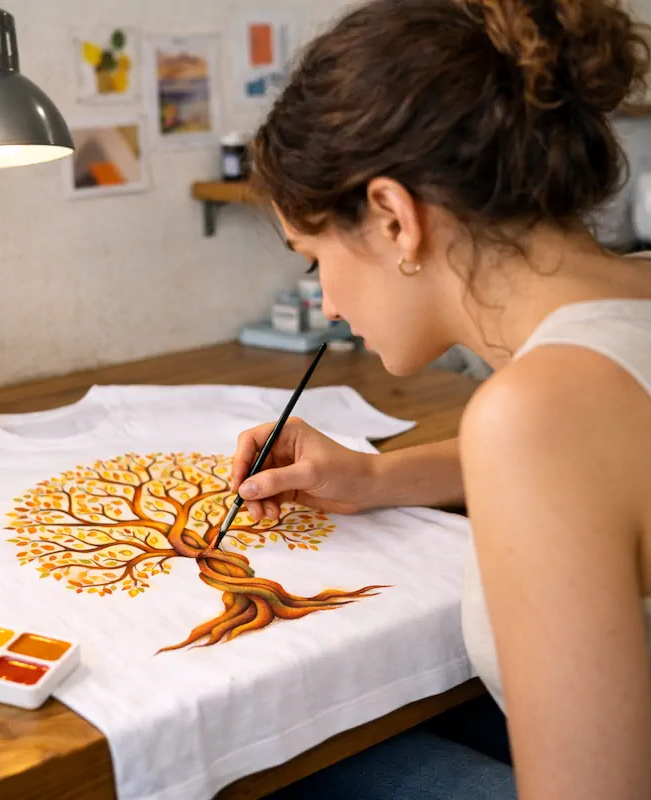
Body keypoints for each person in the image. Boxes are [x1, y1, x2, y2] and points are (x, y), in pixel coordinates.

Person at [227, 1, 651, 797]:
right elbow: (606, 464)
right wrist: (376, 477)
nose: (328, 304)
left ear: (394, 218)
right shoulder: (630, 303)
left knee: (265, 770)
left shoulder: (535, 415)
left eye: (314, 258)